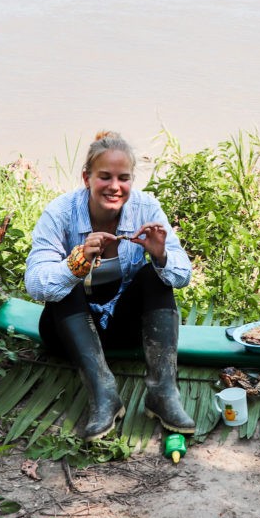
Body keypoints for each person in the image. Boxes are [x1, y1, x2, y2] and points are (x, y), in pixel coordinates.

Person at [24, 131, 196, 440]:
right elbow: (35, 284)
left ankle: (163, 394)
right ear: (86, 177)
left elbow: (183, 275)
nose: (114, 187)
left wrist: (160, 254)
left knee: (154, 275)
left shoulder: (146, 208)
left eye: (123, 178)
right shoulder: (60, 213)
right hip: (67, 333)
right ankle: (104, 395)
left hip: (123, 328)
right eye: (105, 176)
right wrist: (75, 264)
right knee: (65, 286)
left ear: (131, 180)